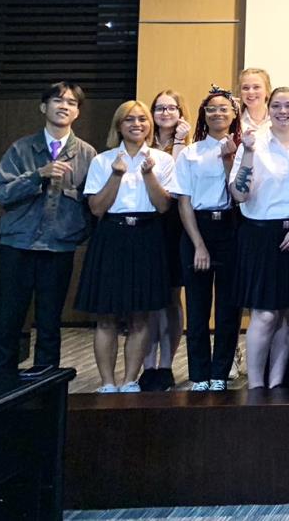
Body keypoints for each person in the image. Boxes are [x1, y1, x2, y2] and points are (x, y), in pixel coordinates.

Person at [0, 82, 97, 373]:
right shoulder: (21, 148)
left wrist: (76, 234)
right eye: (58, 100)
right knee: (8, 321)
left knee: (50, 324)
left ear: (77, 112)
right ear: (43, 107)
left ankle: (45, 385)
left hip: (59, 249)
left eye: (71, 103)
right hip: (17, 246)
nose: (64, 106)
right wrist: (38, 175)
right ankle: (2, 385)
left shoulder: (87, 154)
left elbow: (92, 205)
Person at [76, 100, 177, 393]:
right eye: (129, 119)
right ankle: (108, 382)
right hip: (111, 235)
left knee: (141, 316)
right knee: (105, 317)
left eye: (142, 119)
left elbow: (163, 206)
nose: (137, 124)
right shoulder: (103, 160)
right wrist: (116, 174)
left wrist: (148, 174)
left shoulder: (162, 160)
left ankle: (131, 380)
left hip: (147, 235)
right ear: (119, 126)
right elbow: (97, 208)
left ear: (150, 125)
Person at [229, 86, 289, 388]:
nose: (283, 112)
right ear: (268, 109)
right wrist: (247, 152)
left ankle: (276, 382)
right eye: (277, 106)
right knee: (265, 315)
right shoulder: (253, 143)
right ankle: (256, 386)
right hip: (261, 237)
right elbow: (239, 195)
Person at [173, 88, 242, 391]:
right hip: (197, 229)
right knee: (198, 307)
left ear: (234, 114)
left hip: (231, 228)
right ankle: (199, 374)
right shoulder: (191, 152)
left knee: (228, 308)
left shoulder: (243, 149)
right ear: (204, 114)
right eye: (212, 109)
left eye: (224, 108)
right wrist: (199, 244)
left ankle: (220, 373)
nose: (218, 113)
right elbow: (183, 201)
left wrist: (230, 160)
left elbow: (241, 196)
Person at [141, 89, 191, 391]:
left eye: (172, 108)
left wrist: (181, 143)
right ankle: (148, 365)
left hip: (175, 226)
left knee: (172, 297)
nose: (165, 113)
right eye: (160, 108)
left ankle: (166, 365)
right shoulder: (140, 142)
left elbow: (175, 182)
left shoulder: (189, 145)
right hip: (146, 225)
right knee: (148, 298)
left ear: (181, 113)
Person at [239, 68, 272, 133]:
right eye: (246, 88)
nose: (250, 92)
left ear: (267, 90)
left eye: (256, 87)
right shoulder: (235, 122)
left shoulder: (277, 119)